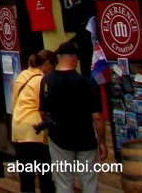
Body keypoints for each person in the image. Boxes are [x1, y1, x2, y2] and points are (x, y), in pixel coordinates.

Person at [39, 40, 107, 193]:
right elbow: (97, 117)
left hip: (59, 138)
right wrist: (102, 142)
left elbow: (43, 112)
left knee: (63, 183)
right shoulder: (87, 83)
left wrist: (50, 130)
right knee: (89, 182)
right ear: (74, 59)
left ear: (59, 59)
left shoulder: (47, 80)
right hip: (85, 139)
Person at [11, 49, 56, 193]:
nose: (52, 72)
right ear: (47, 64)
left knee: (26, 175)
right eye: (52, 67)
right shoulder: (41, 80)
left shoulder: (22, 75)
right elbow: (43, 108)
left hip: (18, 128)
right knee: (44, 173)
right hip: (35, 129)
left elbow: (14, 103)